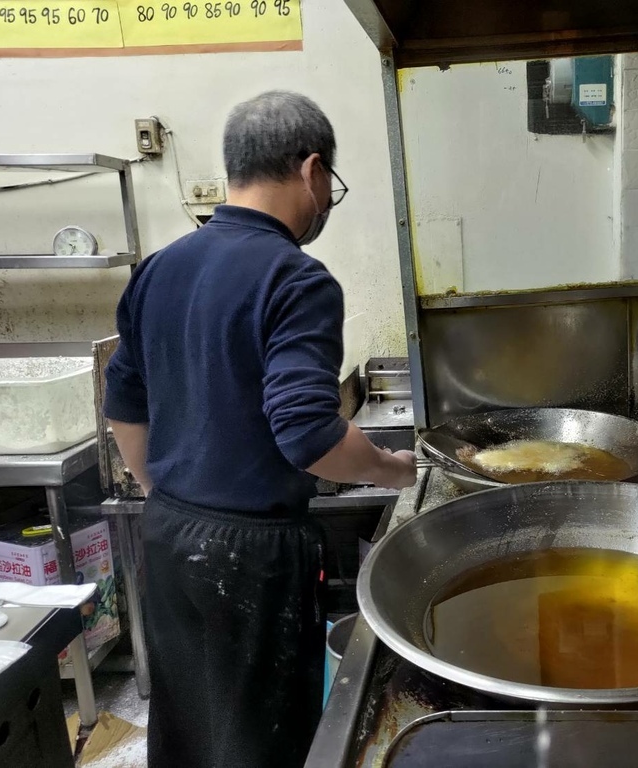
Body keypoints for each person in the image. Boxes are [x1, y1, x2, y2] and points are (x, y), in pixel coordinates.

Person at [104, 90, 417, 768]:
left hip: (168, 536)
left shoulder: (159, 268)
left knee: (189, 730)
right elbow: (309, 435)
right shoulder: (296, 279)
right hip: (252, 556)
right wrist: (400, 470)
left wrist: (173, 491)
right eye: (329, 185)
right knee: (263, 740)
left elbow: (123, 401)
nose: (327, 202)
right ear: (310, 172)